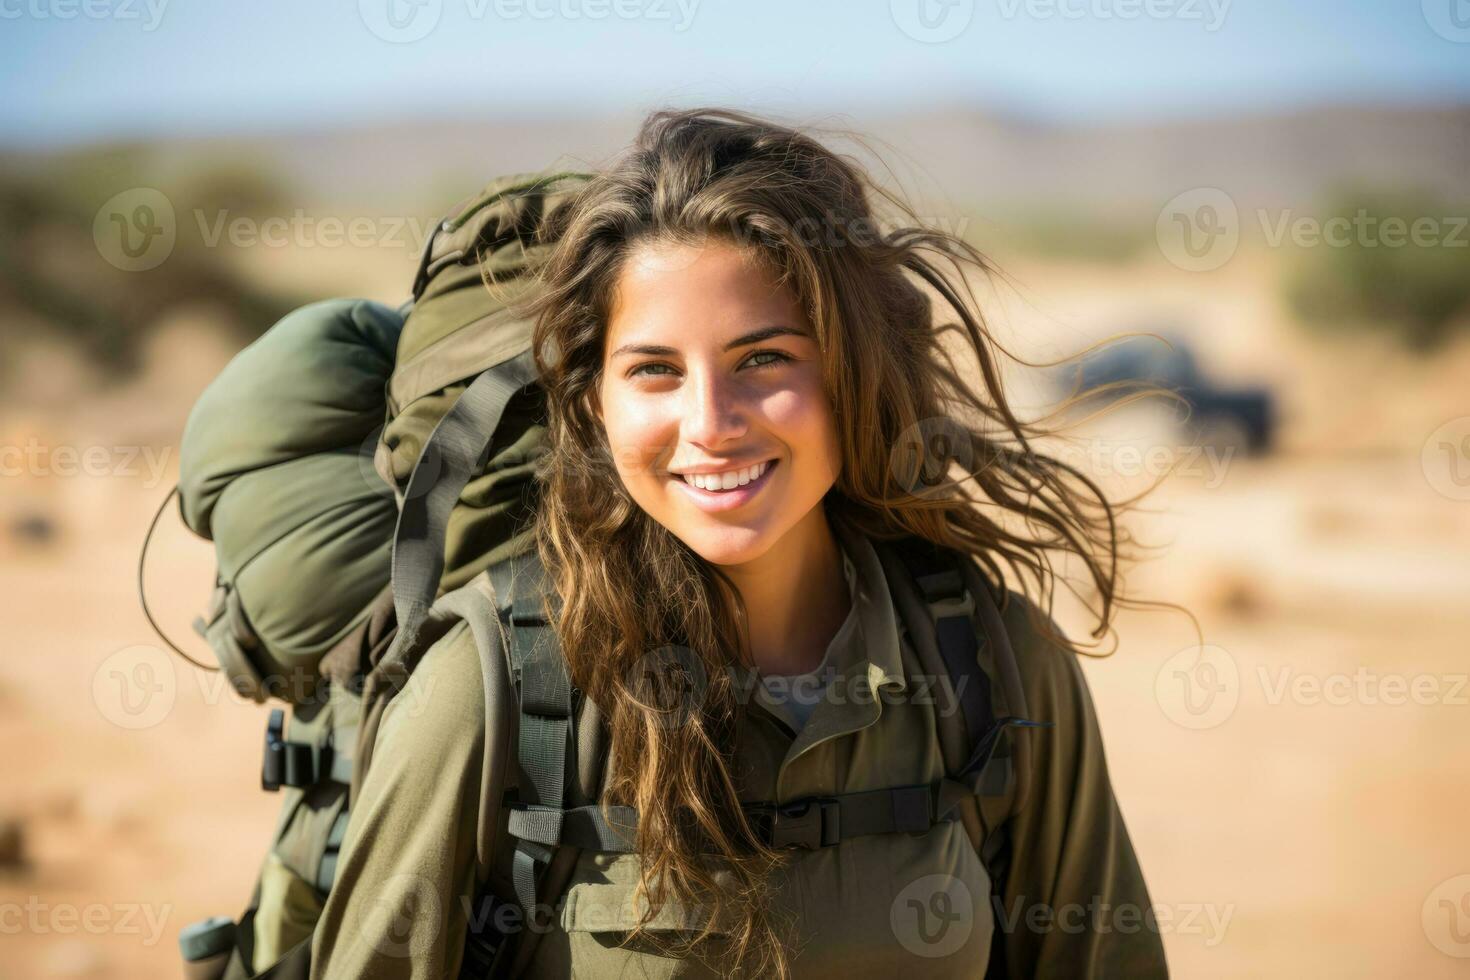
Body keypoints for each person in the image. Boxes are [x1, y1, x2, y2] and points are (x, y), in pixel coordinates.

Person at [309, 107, 1168, 978]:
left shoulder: (994, 673)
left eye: (764, 360)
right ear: (597, 404)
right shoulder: (495, 692)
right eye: (655, 370)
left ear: (853, 372)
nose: (710, 425)